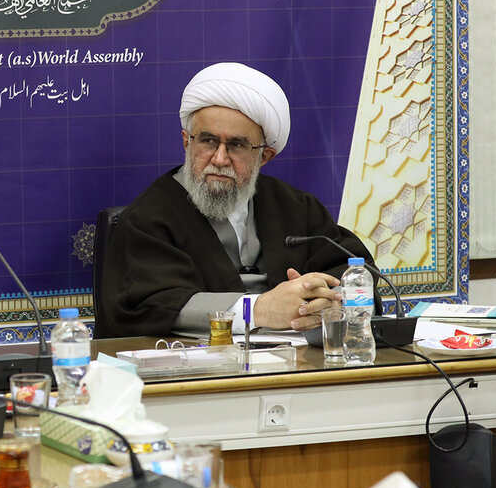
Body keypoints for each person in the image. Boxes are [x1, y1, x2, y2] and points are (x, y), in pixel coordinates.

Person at [98, 62, 377, 338]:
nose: (220, 159)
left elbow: (354, 268)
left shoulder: (297, 207)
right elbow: (150, 306)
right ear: (187, 141)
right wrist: (258, 310)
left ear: (264, 156)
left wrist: (330, 301)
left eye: (236, 145)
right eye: (208, 141)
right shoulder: (148, 218)